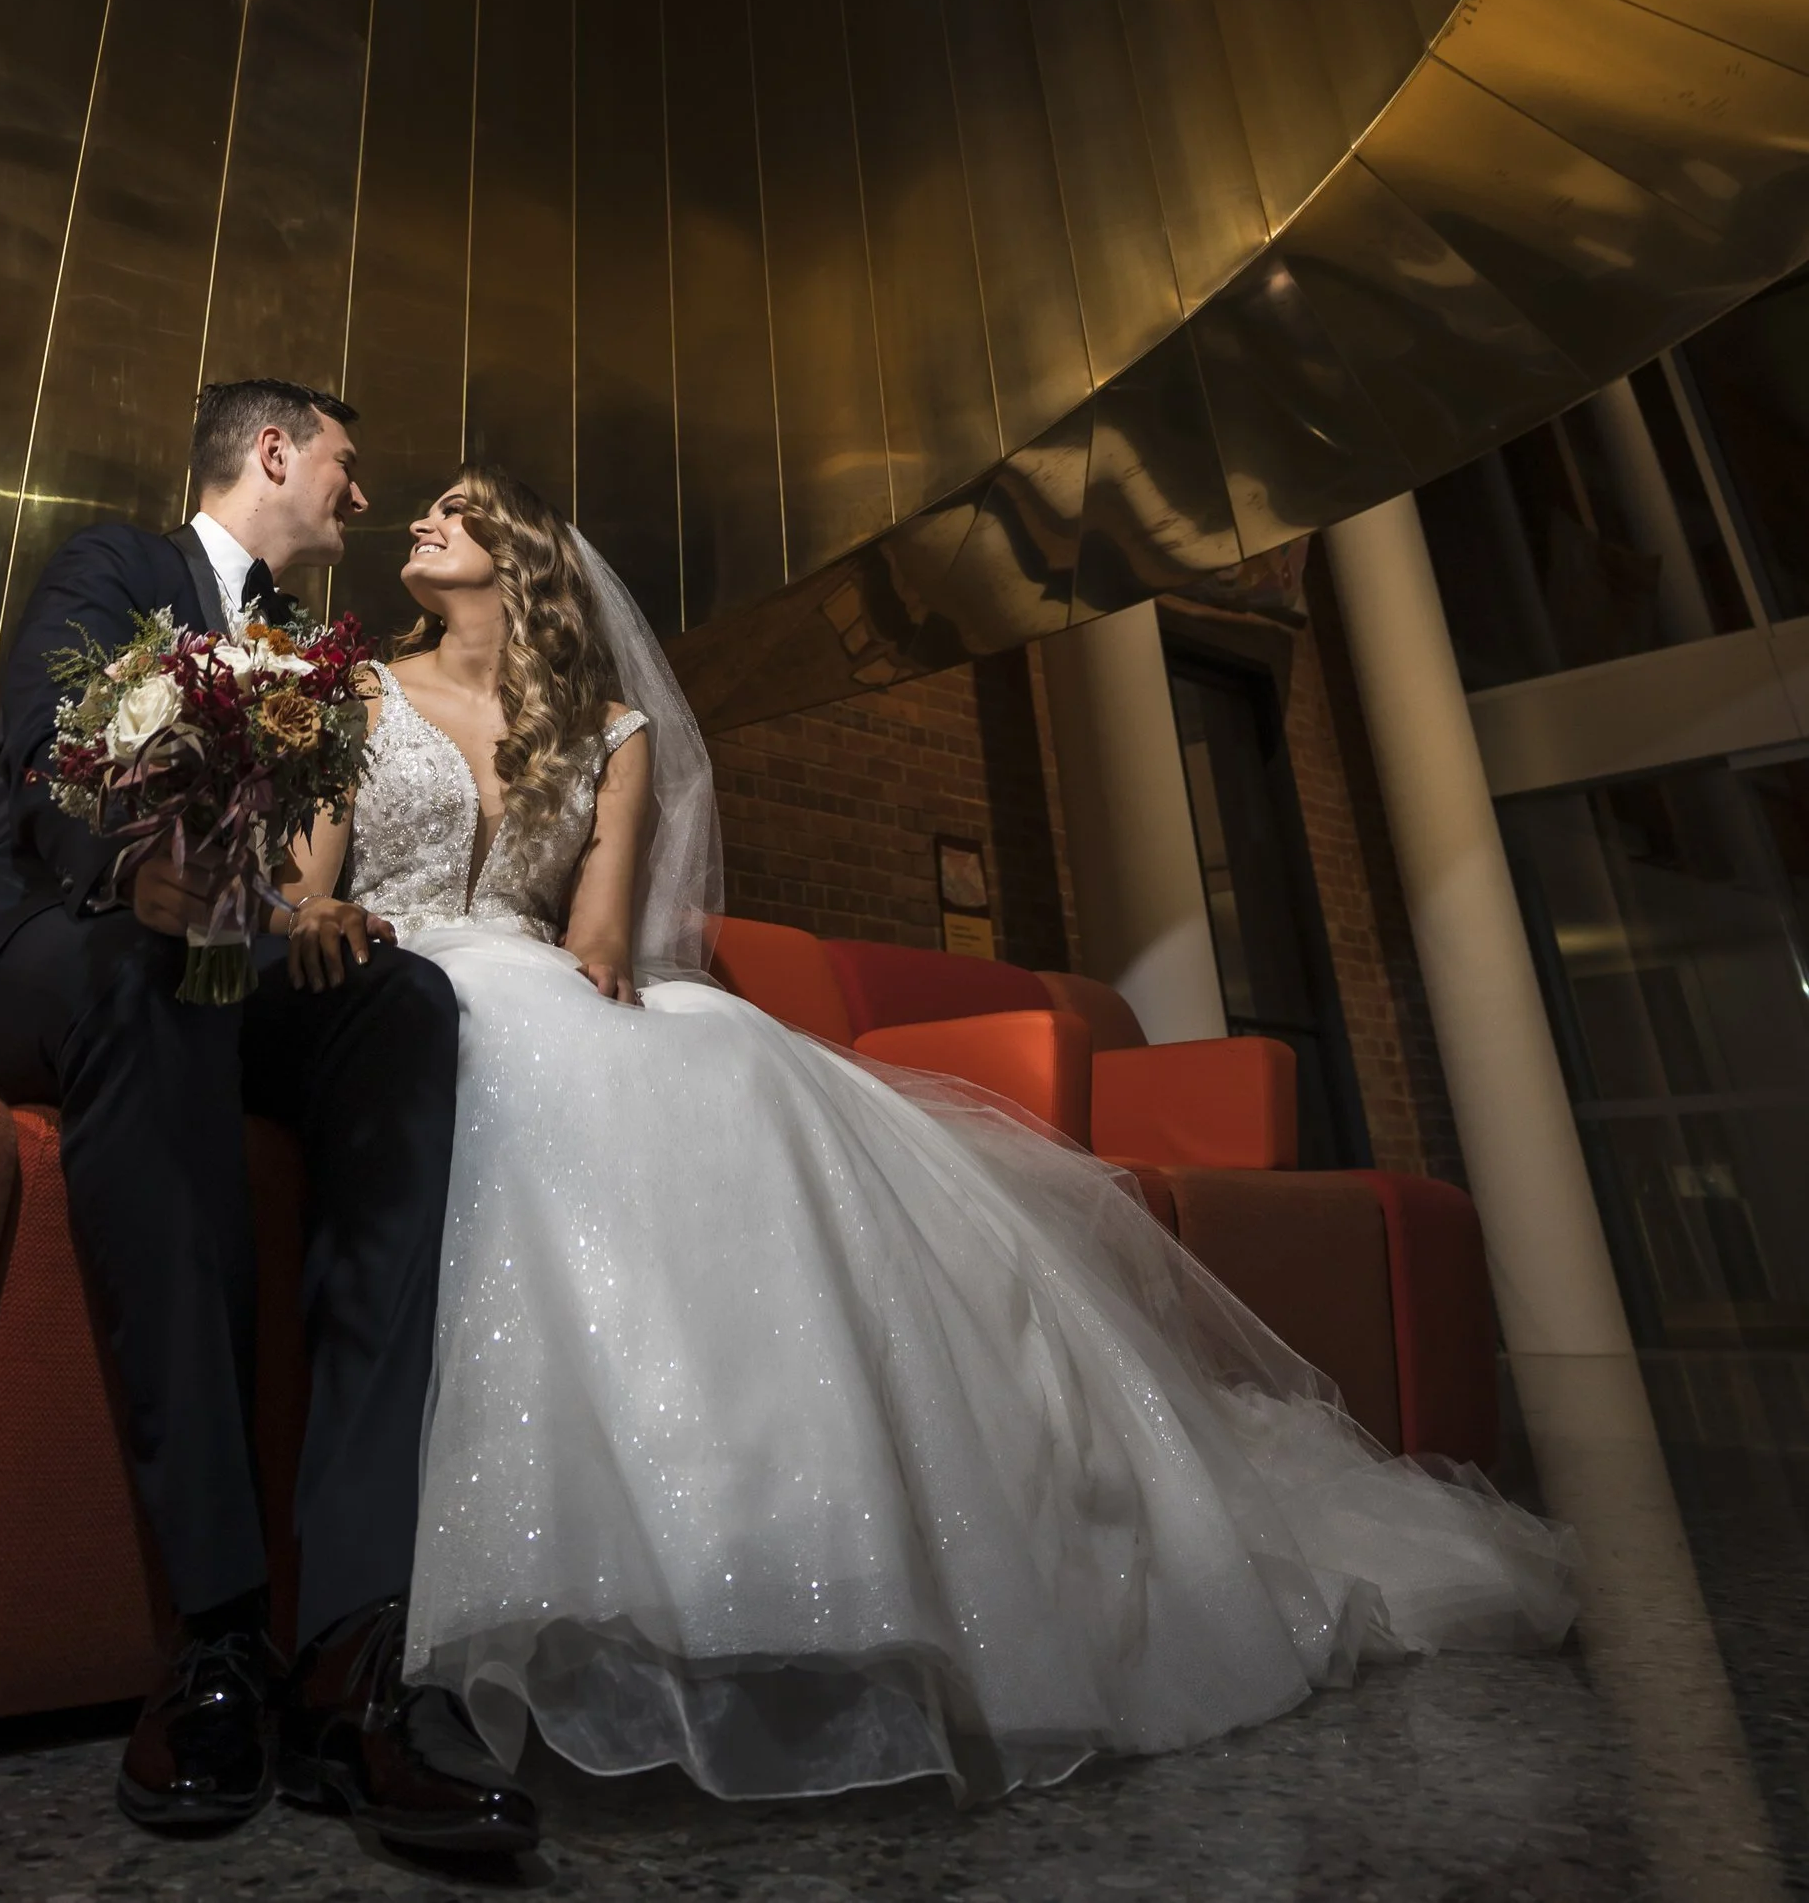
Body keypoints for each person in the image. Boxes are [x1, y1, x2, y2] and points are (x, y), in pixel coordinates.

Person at [285, 461, 1580, 1807]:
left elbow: (601, 936)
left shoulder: (611, 732)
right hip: (400, 977)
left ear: (526, 558)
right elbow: (305, 885)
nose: (422, 516)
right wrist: (319, 916)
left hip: (547, 974)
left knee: (725, 1052)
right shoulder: (353, 693)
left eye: (458, 506)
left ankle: (781, 1543)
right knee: (534, 1038)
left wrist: (588, 987)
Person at [0, 381, 535, 1857]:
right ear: (274, 451)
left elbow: (284, 867)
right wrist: (130, 863)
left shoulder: (315, 651)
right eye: (346, 464)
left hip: (217, 958)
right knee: (147, 978)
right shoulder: (115, 565)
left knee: (404, 1007)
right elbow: (41, 754)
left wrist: (307, 915)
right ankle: (219, 1634)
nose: (361, 495)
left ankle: (353, 1652)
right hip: (52, 945)